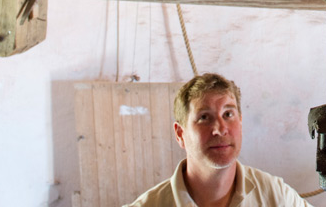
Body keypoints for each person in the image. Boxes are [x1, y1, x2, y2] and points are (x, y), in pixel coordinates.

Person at [125, 73, 313, 207]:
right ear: (180, 134)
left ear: (240, 121)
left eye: (228, 114)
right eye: (204, 117)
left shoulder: (276, 196)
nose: (220, 129)